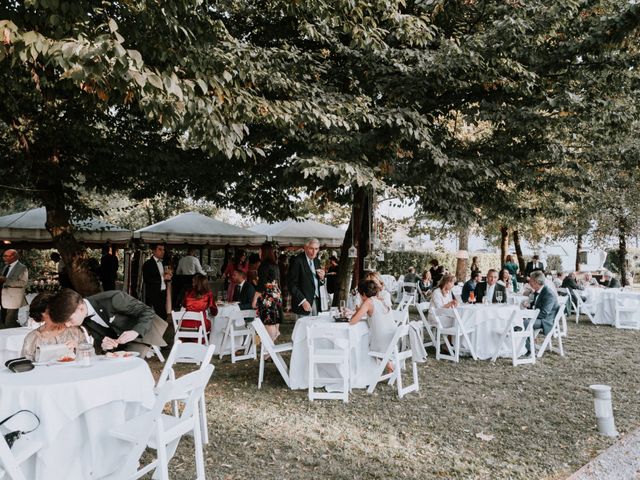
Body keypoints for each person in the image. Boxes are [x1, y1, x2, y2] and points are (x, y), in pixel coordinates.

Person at [49, 288, 167, 355]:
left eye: (69, 320)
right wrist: (105, 347)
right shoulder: (83, 318)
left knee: (128, 364)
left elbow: (147, 311)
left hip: (141, 333)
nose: (68, 325)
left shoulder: (113, 299)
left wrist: (135, 332)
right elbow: (100, 340)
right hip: (120, 342)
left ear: (80, 308)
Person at [21, 292, 87, 360]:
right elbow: (24, 365)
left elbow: (90, 357)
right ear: (44, 314)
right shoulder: (32, 338)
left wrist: (78, 348)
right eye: (54, 311)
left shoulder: (74, 331)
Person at [349, 279, 395, 372]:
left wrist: (360, 307)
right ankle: (387, 363)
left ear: (363, 294)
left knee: (362, 342)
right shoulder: (381, 300)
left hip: (381, 343)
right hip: (393, 339)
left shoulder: (368, 302)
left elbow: (352, 321)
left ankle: (363, 370)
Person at [287, 238, 326, 316]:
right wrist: (303, 301)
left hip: (316, 301)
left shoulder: (316, 261)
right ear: (305, 248)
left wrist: (322, 279)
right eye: (311, 248)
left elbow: (317, 282)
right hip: (303, 302)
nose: (314, 252)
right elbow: (291, 285)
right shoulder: (297, 261)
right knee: (304, 327)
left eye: (316, 249)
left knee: (315, 327)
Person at [142, 244, 172, 320]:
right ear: (154, 251)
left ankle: (162, 329)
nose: (163, 252)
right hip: (154, 293)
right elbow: (147, 279)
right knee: (158, 315)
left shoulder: (164, 262)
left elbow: (167, 277)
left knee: (163, 313)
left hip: (163, 291)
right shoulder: (148, 264)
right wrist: (162, 277)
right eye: (160, 249)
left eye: (163, 250)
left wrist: (169, 277)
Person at [0, 249, 28, 329]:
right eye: (3, 256)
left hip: (14, 299)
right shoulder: (6, 267)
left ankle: (15, 338)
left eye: (6, 256)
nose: (3, 258)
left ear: (13, 257)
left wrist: (6, 280)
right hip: (4, 298)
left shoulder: (22, 267)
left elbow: (23, 283)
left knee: (9, 322)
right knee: (3, 320)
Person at [527, 271, 560, 336]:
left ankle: (528, 345)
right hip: (539, 318)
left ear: (536, 282)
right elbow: (536, 306)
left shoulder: (548, 294)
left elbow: (544, 313)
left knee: (524, 323)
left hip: (545, 321)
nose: (529, 283)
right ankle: (526, 344)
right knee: (518, 321)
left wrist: (529, 316)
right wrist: (529, 305)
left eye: (530, 280)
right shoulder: (540, 291)